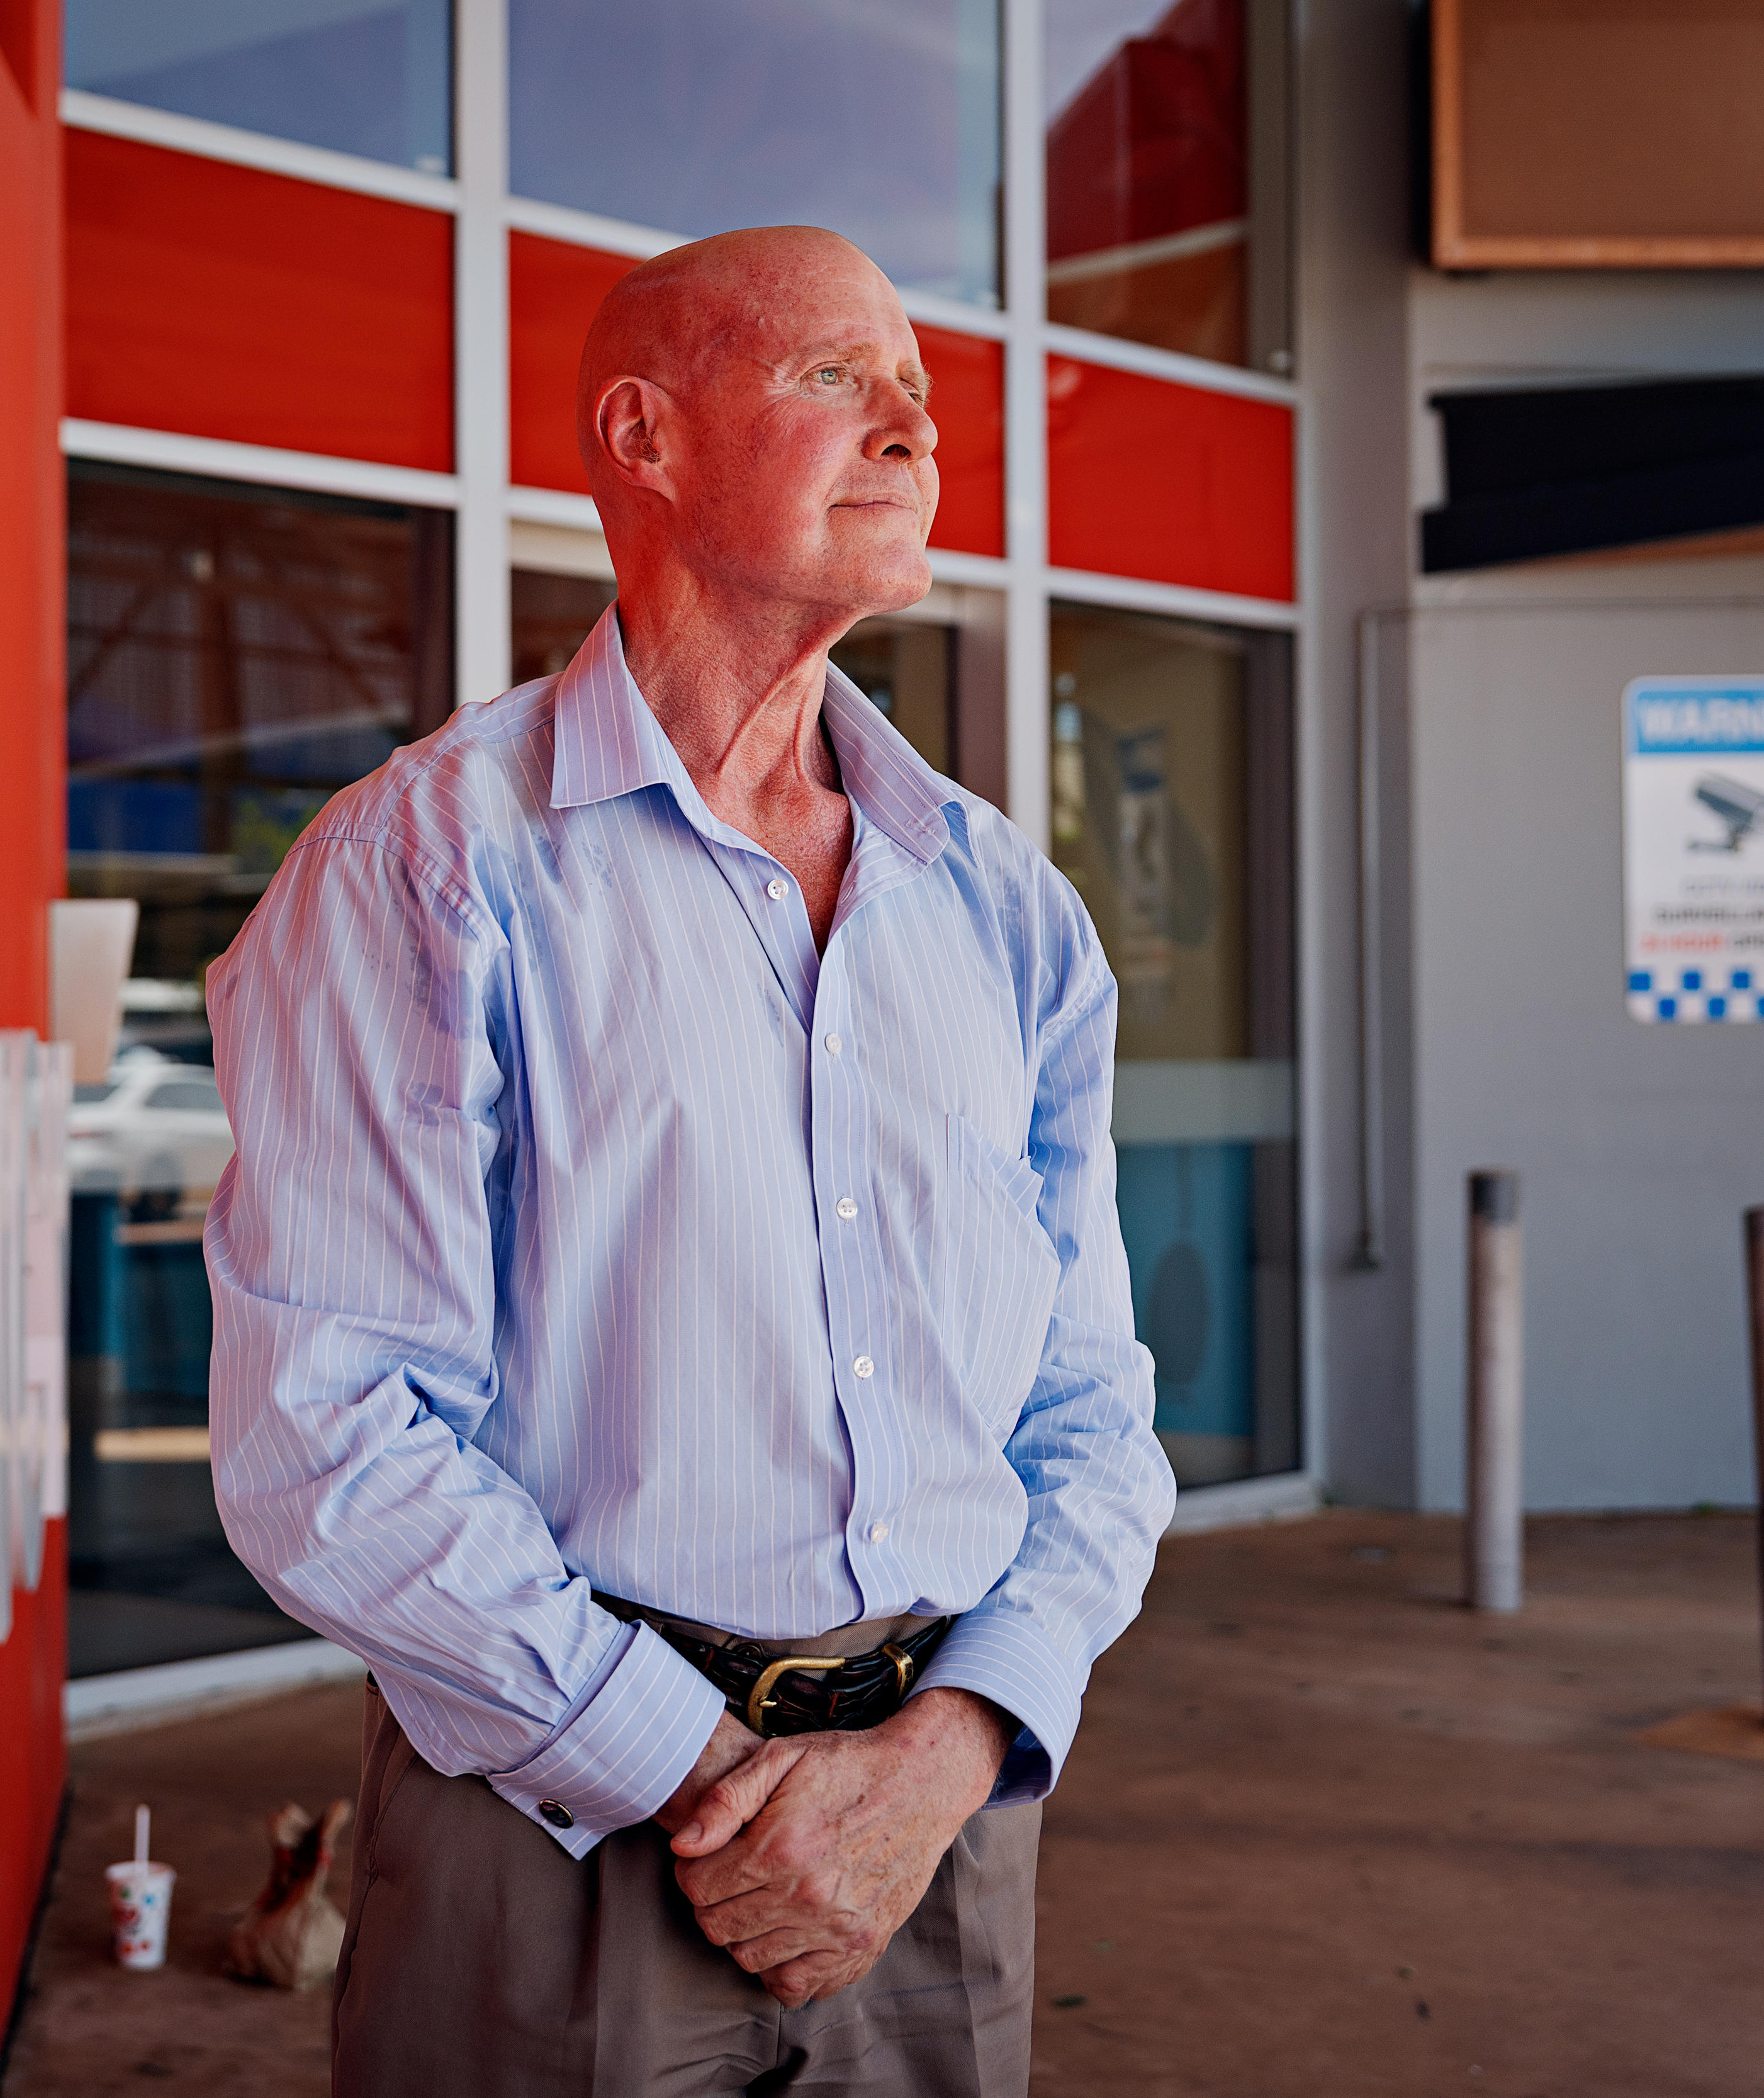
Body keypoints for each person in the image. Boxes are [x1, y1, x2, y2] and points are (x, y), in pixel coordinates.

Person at [202, 224, 1172, 2097]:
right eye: (837, 379)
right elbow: (331, 1437)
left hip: (939, 1834)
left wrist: (954, 1750)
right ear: (643, 439)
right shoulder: (425, 872)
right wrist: (715, 1782)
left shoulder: (1004, 906)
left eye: (920, 391)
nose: (912, 427)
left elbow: (1090, 1401)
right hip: (563, 1833)